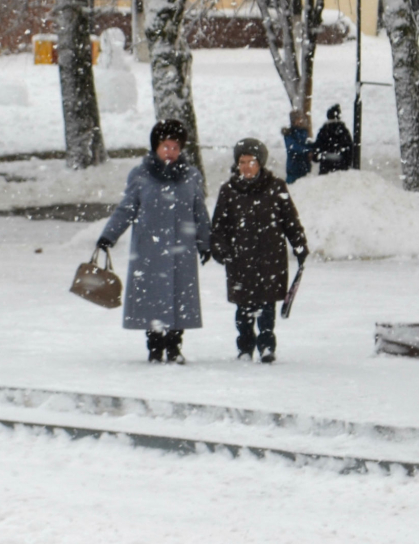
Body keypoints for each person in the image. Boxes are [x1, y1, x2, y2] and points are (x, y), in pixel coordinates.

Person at [96, 118, 210, 363]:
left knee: (180, 300)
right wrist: (108, 236)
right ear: (156, 148)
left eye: (175, 147)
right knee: (152, 300)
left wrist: (206, 242)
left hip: (182, 251)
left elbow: (199, 212)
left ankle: (175, 347)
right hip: (150, 251)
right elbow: (126, 209)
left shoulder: (191, 176)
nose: (171, 152)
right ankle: (155, 348)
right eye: (166, 146)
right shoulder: (140, 175)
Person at [209, 138, 309, 364]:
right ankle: (245, 347)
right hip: (239, 260)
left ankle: (266, 345)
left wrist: (299, 244)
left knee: (266, 307)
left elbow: (290, 221)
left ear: (260, 163)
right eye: (242, 162)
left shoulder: (276, 188)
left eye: (251, 161)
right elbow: (219, 227)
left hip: (270, 259)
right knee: (243, 308)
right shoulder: (229, 191)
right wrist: (220, 249)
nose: (246, 167)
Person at [314, 104, 355, 175]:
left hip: (326, 166)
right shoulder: (344, 131)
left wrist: (317, 156)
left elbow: (318, 147)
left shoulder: (324, 130)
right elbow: (349, 148)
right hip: (342, 167)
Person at [281, 110, 314, 184]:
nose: (300, 121)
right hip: (293, 168)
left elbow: (307, 144)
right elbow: (293, 147)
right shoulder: (289, 134)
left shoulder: (304, 132)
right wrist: (307, 151)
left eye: (300, 118)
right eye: (297, 119)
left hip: (305, 166)